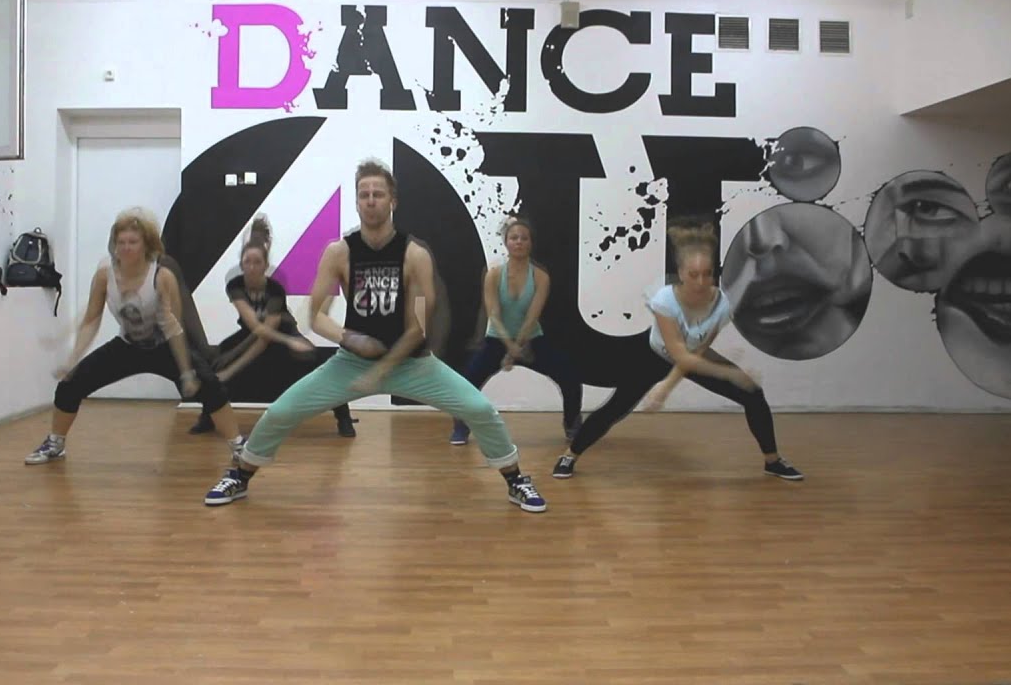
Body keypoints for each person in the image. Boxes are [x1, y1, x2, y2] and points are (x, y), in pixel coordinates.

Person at [203, 159, 547, 512]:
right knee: (280, 412)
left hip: (414, 365)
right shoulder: (339, 252)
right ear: (356, 202)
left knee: (479, 408)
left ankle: (516, 480)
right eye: (364, 194)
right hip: (351, 363)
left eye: (378, 194)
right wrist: (349, 338)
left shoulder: (414, 255)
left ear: (392, 200)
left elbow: (418, 327)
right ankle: (240, 475)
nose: (370, 200)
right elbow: (316, 315)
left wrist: (383, 368)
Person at [551, 217, 803, 481]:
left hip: (693, 355)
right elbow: (678, 354)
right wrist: (727, 374)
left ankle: (773, 461)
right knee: (616, 409)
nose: (701, 281)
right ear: (681, 273)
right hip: (651, 355)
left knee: (753, 394)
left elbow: (696, 351)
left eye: (707, 274)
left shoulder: (722, 305)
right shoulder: (665, 300)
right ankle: (570, 455)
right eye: (693, 274)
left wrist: (668, 387)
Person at [26, 208, 247, 464]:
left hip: (164, 345)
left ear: (146, 245)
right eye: (121, 242)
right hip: (127, 345)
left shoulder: (162, 276)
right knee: (70, 385)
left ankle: (238, 445)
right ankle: (55, 444)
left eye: (133, 242)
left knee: (210, 386)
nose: (126, 248)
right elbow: (91, 320)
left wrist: (186, 371)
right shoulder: (105, 275)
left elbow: (174, 326)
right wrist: (72, 359)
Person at [187, 216, 358, 438]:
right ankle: (208, 416)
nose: (251, 267)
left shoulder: (275, 289)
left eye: (257, 262)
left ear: (265, 266)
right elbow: (256, 329)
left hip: (282, 332)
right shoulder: (235, 285)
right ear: (241, 264)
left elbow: (266, 336)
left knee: (315, 362)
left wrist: (290, 341)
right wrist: (229, 362)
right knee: (214, 362)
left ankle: (343, 417)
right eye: (247, 262)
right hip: (257, 334)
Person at [448, 215, 583, 446]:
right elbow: (493, 314)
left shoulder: (540, 277)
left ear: (531, 243)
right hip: (497, 339)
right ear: (506, 242)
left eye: (524, 238)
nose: (519, 242)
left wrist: (517, 347)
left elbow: (532, 317)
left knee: (570, 378)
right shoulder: (494, 275)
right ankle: (461, 426)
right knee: (466, 382)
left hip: (531, 339)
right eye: (514, 238)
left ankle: (572, 424)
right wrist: (508, 346)